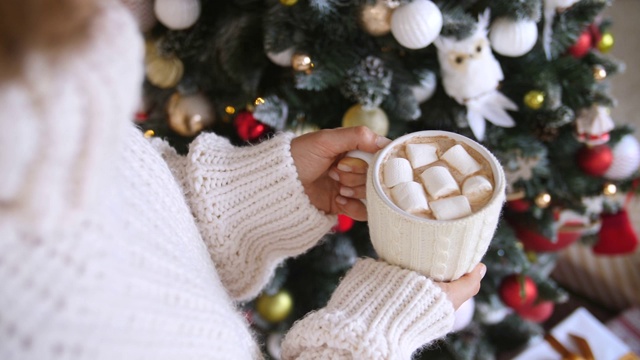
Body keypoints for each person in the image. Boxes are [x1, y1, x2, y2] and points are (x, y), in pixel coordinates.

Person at [0, 0, 485, 359]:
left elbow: (133, 225)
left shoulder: (39, 95)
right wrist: (376, 328)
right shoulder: (31, 323)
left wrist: (259, 192)